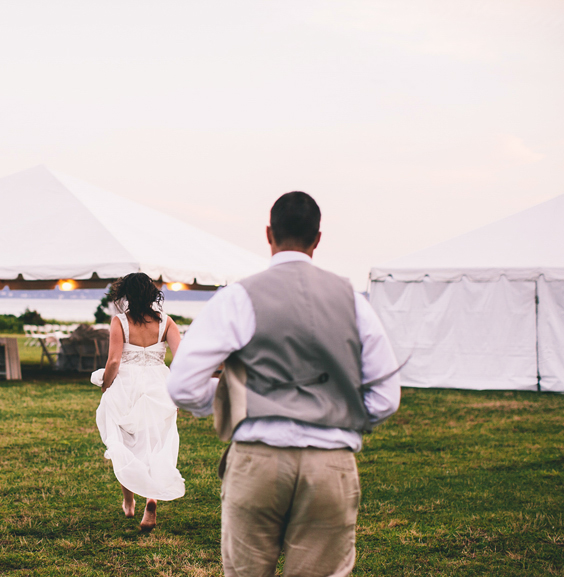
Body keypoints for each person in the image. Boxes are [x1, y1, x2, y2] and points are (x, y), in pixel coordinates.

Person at [167, 191, 402, 576]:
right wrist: (343, 413)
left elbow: (182, 386)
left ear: (268, 234)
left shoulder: (239, 297)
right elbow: (386, 396)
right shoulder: (353, 301)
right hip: (330, 464)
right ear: (318, 238)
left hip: (257, 460)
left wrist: (230, 401)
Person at [93, 272, 186, 532]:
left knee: (125, 443)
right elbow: (180, 361)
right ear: (151, 293)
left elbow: (113, 362)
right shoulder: (167, 323)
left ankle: (128, 500)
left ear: (126, 295)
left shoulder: (119, 322)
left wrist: (106, 386)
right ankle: (151, 499)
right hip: (158, 387)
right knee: (155, 443)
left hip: (127, 387)